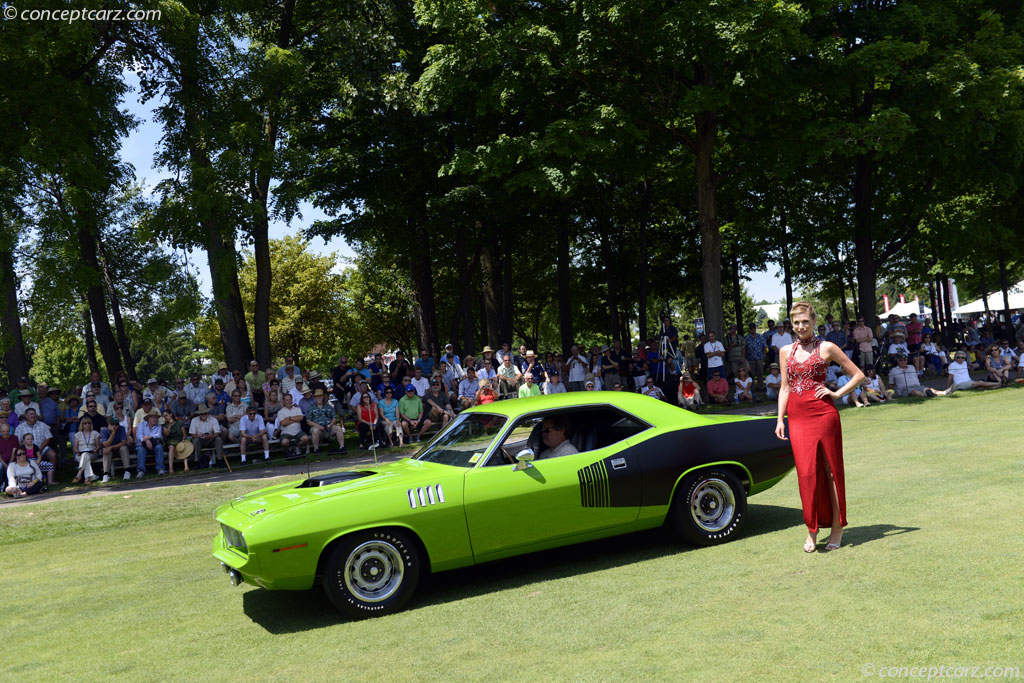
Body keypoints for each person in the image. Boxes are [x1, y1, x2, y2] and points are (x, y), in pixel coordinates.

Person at [775, 301, 864, 554]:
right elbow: (785, 388)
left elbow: (858, 374)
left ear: (813, 322)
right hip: (798, 419)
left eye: (805, 321)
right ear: (791, 325)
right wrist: (780, 419)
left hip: (824, 416)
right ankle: (812, 529)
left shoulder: (827, 347)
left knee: (831, 472)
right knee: (806, 475)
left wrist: (836, 393)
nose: (801, 326)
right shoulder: (785, 352)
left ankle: (837, 527)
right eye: (796, 322)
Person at [307, 388, 346, 455]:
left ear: (323, 397)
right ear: (315, 398)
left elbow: (334, 417)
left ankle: (342, 447)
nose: (319, 397)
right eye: (317, 396)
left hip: (328, 427)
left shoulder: (329, 406)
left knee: (338, 428)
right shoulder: (311, 408)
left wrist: (331, 424)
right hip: (317, 428)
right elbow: (308, 421)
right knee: (315, 430)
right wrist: (318, 426)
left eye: (320, 396)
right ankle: (316, 450)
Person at [274, 393, 308, 458]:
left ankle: (297, 448)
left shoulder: (297, 409)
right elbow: (283, 423)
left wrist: (289, 418)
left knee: (305, 438)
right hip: (286, 432)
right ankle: (288, 451)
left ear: (292, 400)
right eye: (287, 400)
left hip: (297, 431)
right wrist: (295, 419)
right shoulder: (280, 412)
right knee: (284, 442)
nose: (289, 401)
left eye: (290, 400)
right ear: (283, 401)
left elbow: (301, 418)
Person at [135, 409, 166, 477]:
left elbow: (159, 436)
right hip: (142, 445)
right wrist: (146, 440)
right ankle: (141, 471)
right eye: (153, 418)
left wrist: (148, 438)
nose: (155, 419)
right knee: (140, 449)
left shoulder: (159, 426)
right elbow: (139, 436)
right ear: (149, 418)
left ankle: (160, 469)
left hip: (154, 445)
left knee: (159, 447)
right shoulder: (141, 425)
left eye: (156, 418)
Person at [71, 416, 101, 484]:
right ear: (82, 424)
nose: (87, 424)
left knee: (86, 455)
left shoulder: (95, 433)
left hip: (92, 454)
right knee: (85, 456)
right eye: (85, 423)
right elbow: (75, 448)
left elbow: (98, 446)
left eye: (89, 423)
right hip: (80, 454)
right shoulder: (78, 434)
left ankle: (79, 475)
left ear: (91, 424)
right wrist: (77, 452)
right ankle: (88, 478)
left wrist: (96, 450)